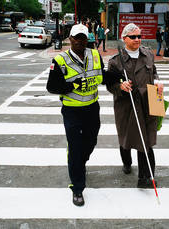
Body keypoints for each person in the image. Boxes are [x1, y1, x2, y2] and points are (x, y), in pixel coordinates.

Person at [46, 24, 120, 207]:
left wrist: (119, 78)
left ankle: (78, 162)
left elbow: (100, 76)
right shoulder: (60, 60)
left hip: (92, 108)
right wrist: (72, 85)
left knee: (91, 142)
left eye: (83, 38)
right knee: (75, 147)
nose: (79, 40)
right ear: (69, 39)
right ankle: (77, 187)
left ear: (88, 39)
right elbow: (51, 87)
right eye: (76, 37)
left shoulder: (94, 55)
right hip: (72, 110)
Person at [106, 23, 164, 188]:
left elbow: (153, 72)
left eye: (139, 36)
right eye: (133, 37)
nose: (137, 39)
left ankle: (146, 178)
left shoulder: (147, 54)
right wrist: (120, 87)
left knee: (145, 141)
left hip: (147, 103)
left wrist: (158, 82)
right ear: (124, 39)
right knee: (126, 139)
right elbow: (110, 85)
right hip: (127, 107)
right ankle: (126, 162)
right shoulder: (116, 61)